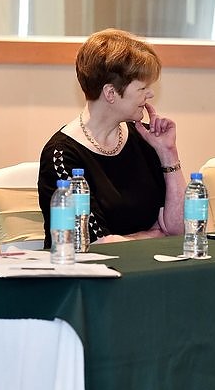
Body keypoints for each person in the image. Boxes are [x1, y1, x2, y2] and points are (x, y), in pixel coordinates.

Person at [38, 28, 185, 246]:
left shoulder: (146, 138)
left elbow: (182, 229)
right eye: (143, 88)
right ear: (110, 93)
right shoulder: (61, 155)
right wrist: (152, 235)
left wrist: (168, 153)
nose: (151, 94)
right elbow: (93, 242)